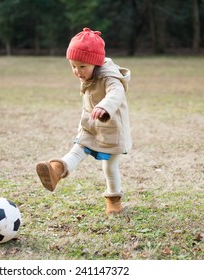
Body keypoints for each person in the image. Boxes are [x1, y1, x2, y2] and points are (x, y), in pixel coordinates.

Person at [36, 27, 132, 215]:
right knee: (78, 149)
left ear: (95, 63)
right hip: (90, 125)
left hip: (112, 129)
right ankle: (55, 171)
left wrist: (104, 106)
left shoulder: (109, 77)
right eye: (73, 66)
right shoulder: (89, 73)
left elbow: (117, 92)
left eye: (82, 66)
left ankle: (114, 200)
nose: (77, 71)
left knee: (110, 166)